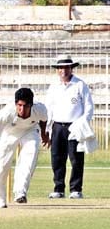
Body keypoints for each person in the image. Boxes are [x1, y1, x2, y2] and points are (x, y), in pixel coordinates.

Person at [0, 88, 49, 208]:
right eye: (19, 105)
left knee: (29, 158)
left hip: (30, 131)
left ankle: (20, 192)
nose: (22, 109)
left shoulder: (40, 108)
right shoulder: (7, 112)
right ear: (16, 104)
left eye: (25, 106)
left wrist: (43, 135)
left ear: (31, 105)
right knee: (2, 167)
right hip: (9, 133)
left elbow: (43, 120)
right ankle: (0, 198)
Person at [45, 55, 94, 200]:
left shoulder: (80, 85)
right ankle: (58, 188)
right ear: (57, 70)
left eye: (66, 67)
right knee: (57, 159)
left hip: (75, 126)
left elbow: (89, 107)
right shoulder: (54, 86)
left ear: (71, 68)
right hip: (58, 126)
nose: (63, 71)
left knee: (76, 159)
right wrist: (47, 129)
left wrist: (82, 123)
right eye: (60, 68)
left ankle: (76, 189)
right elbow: (49, 108)